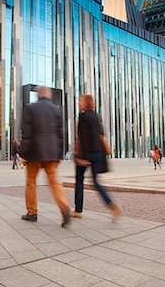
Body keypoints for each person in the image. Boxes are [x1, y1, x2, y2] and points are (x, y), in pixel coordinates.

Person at [19, 86, 71, 227]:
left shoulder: (30, 108)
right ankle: (65, 208)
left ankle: (32, 213)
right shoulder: (56, 109)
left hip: (34, 153)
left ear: (38, 95)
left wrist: (23, 154)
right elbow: (61, 135)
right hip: (51, 153)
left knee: (31, 183)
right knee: (54, 183)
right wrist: (60, 155)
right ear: (48, 95)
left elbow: (27, 133)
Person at [73, 94, 121, 222]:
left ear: (86, 103)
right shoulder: (96, 116)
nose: (79, 102)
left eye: (81, 100)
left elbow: (81, 138)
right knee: (95, 182)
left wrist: (81, 157)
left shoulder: (83, 117)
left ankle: (78, 210)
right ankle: (112, 206)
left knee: (79, 180)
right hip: (99, 153)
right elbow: (101, 135)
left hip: (87, 153)